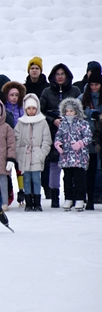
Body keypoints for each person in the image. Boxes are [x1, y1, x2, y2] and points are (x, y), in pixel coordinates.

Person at [40, 63, 82, 208]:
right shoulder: (46, 92)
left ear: (67, 76)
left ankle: (72, 195)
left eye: (62, 74)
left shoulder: (75, 91)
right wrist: (53, 120)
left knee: (72, 166)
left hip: (73, 134)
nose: (60, 77)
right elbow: (40, 112)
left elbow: (81, 111)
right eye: (57, 74)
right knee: (54, 165)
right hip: (53, 131)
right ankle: (54, 195)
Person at [14, 93, 52, 212]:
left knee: (36, 179)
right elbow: (16, 139)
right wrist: (18, 153)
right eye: (29, 108)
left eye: (33, 108)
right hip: (24, 155)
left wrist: (42, 153)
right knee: (26, 179)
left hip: (36, 155)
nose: (31, 111)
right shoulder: (21, 122)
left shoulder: (42, 122)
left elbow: (47, 140)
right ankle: (28, 202)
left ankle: (37, 202)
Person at [54, 98, 92, 211]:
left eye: (71, 111)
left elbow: (88, 137)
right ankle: (68, 198)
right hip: (66, 156)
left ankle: (80, 198)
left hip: (79, 157)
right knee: (67, 178)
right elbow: (58, 136)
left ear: (76, 111)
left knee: (79, 178)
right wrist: (58, 144)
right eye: (67, 111)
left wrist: (80, 143)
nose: (69, 113)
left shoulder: (83, 123)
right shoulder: (63, 124)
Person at [78, 71, 102, 210]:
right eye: (91, 84)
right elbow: (75, 115)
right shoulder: (82, 98)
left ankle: (98, 193)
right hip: (86, 138)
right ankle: (89, 197)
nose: (94, 87)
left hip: (100, 138)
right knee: (89, 170)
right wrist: (88, 115)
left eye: (97, 84)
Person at [2, 81, 26, 206]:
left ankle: (21, 190)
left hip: (21, 141)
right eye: (12, 95)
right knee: (7, 167)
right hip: (7, 142)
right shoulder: (3, 108)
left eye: (16, 95)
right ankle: (9, 191)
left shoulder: (22, 108)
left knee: (20, 167)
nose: (14, 98)